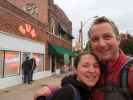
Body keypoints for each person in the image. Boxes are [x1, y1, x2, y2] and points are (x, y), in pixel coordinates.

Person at [88, 16, 133, 100]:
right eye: (95, 39)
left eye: (107, 37)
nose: (101, 44)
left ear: (118, 40)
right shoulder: (91, 70)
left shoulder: (130, 72)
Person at [34, 51, 103, 100]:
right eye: (85, 66)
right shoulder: (68, 92)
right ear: (75, 69)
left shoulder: (89, 90)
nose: (92, 70)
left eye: (95, 66)